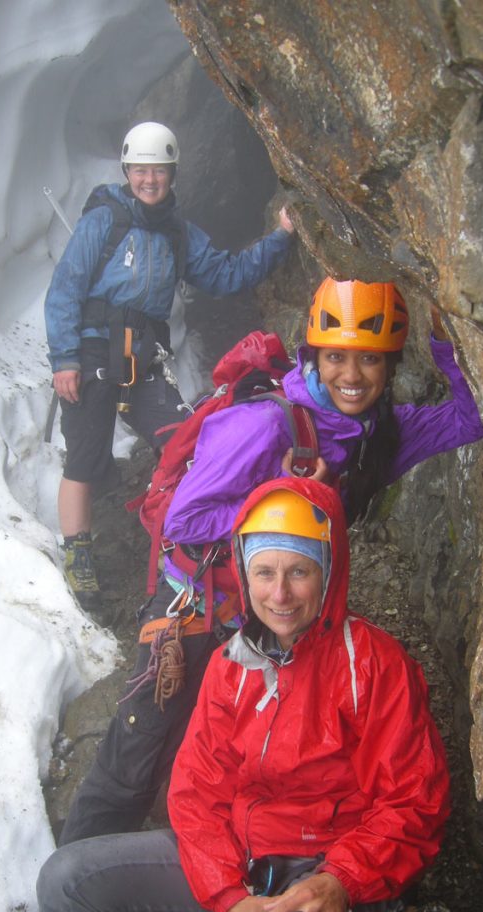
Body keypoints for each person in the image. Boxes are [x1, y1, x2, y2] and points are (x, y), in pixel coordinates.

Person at [55, 277, 483, 847]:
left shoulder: (375, 434)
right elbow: (187, 521)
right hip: (202, 607)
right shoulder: (263, 423)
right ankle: (72, 905)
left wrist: (447, 342)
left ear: (390, 366)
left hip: (275, 615)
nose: (351, 377)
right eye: (336, 358)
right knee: (139, 750)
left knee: (227, 752)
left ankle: (204, 872)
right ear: (314, 355)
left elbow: (469, 418)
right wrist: (287, 494)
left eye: (369, 361)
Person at [36, 477, 451, 912]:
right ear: (245, 574)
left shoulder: (373, 665)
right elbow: (194, 792)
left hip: (330, 877)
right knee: (66, 880)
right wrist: (228, 897)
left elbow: (413, 803)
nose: (279, 594)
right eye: (264, 572)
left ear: (328, 573)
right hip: (242, 863)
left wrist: (341, 880)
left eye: (299, 572)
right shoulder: (232, 665)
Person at [44, 120, 295, 608]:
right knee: (85, 459)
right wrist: (65, 359)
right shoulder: (105, 219)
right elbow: (66, 289)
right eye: (140, 170)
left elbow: (226, 274)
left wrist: (281, 237)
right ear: (128, 170)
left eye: (157, 171)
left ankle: (185, 540)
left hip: (143, 359)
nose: (149, 180)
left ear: (172, 174)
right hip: (94, 353)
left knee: (186, 444)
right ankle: (79, 557)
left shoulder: (180, 234)